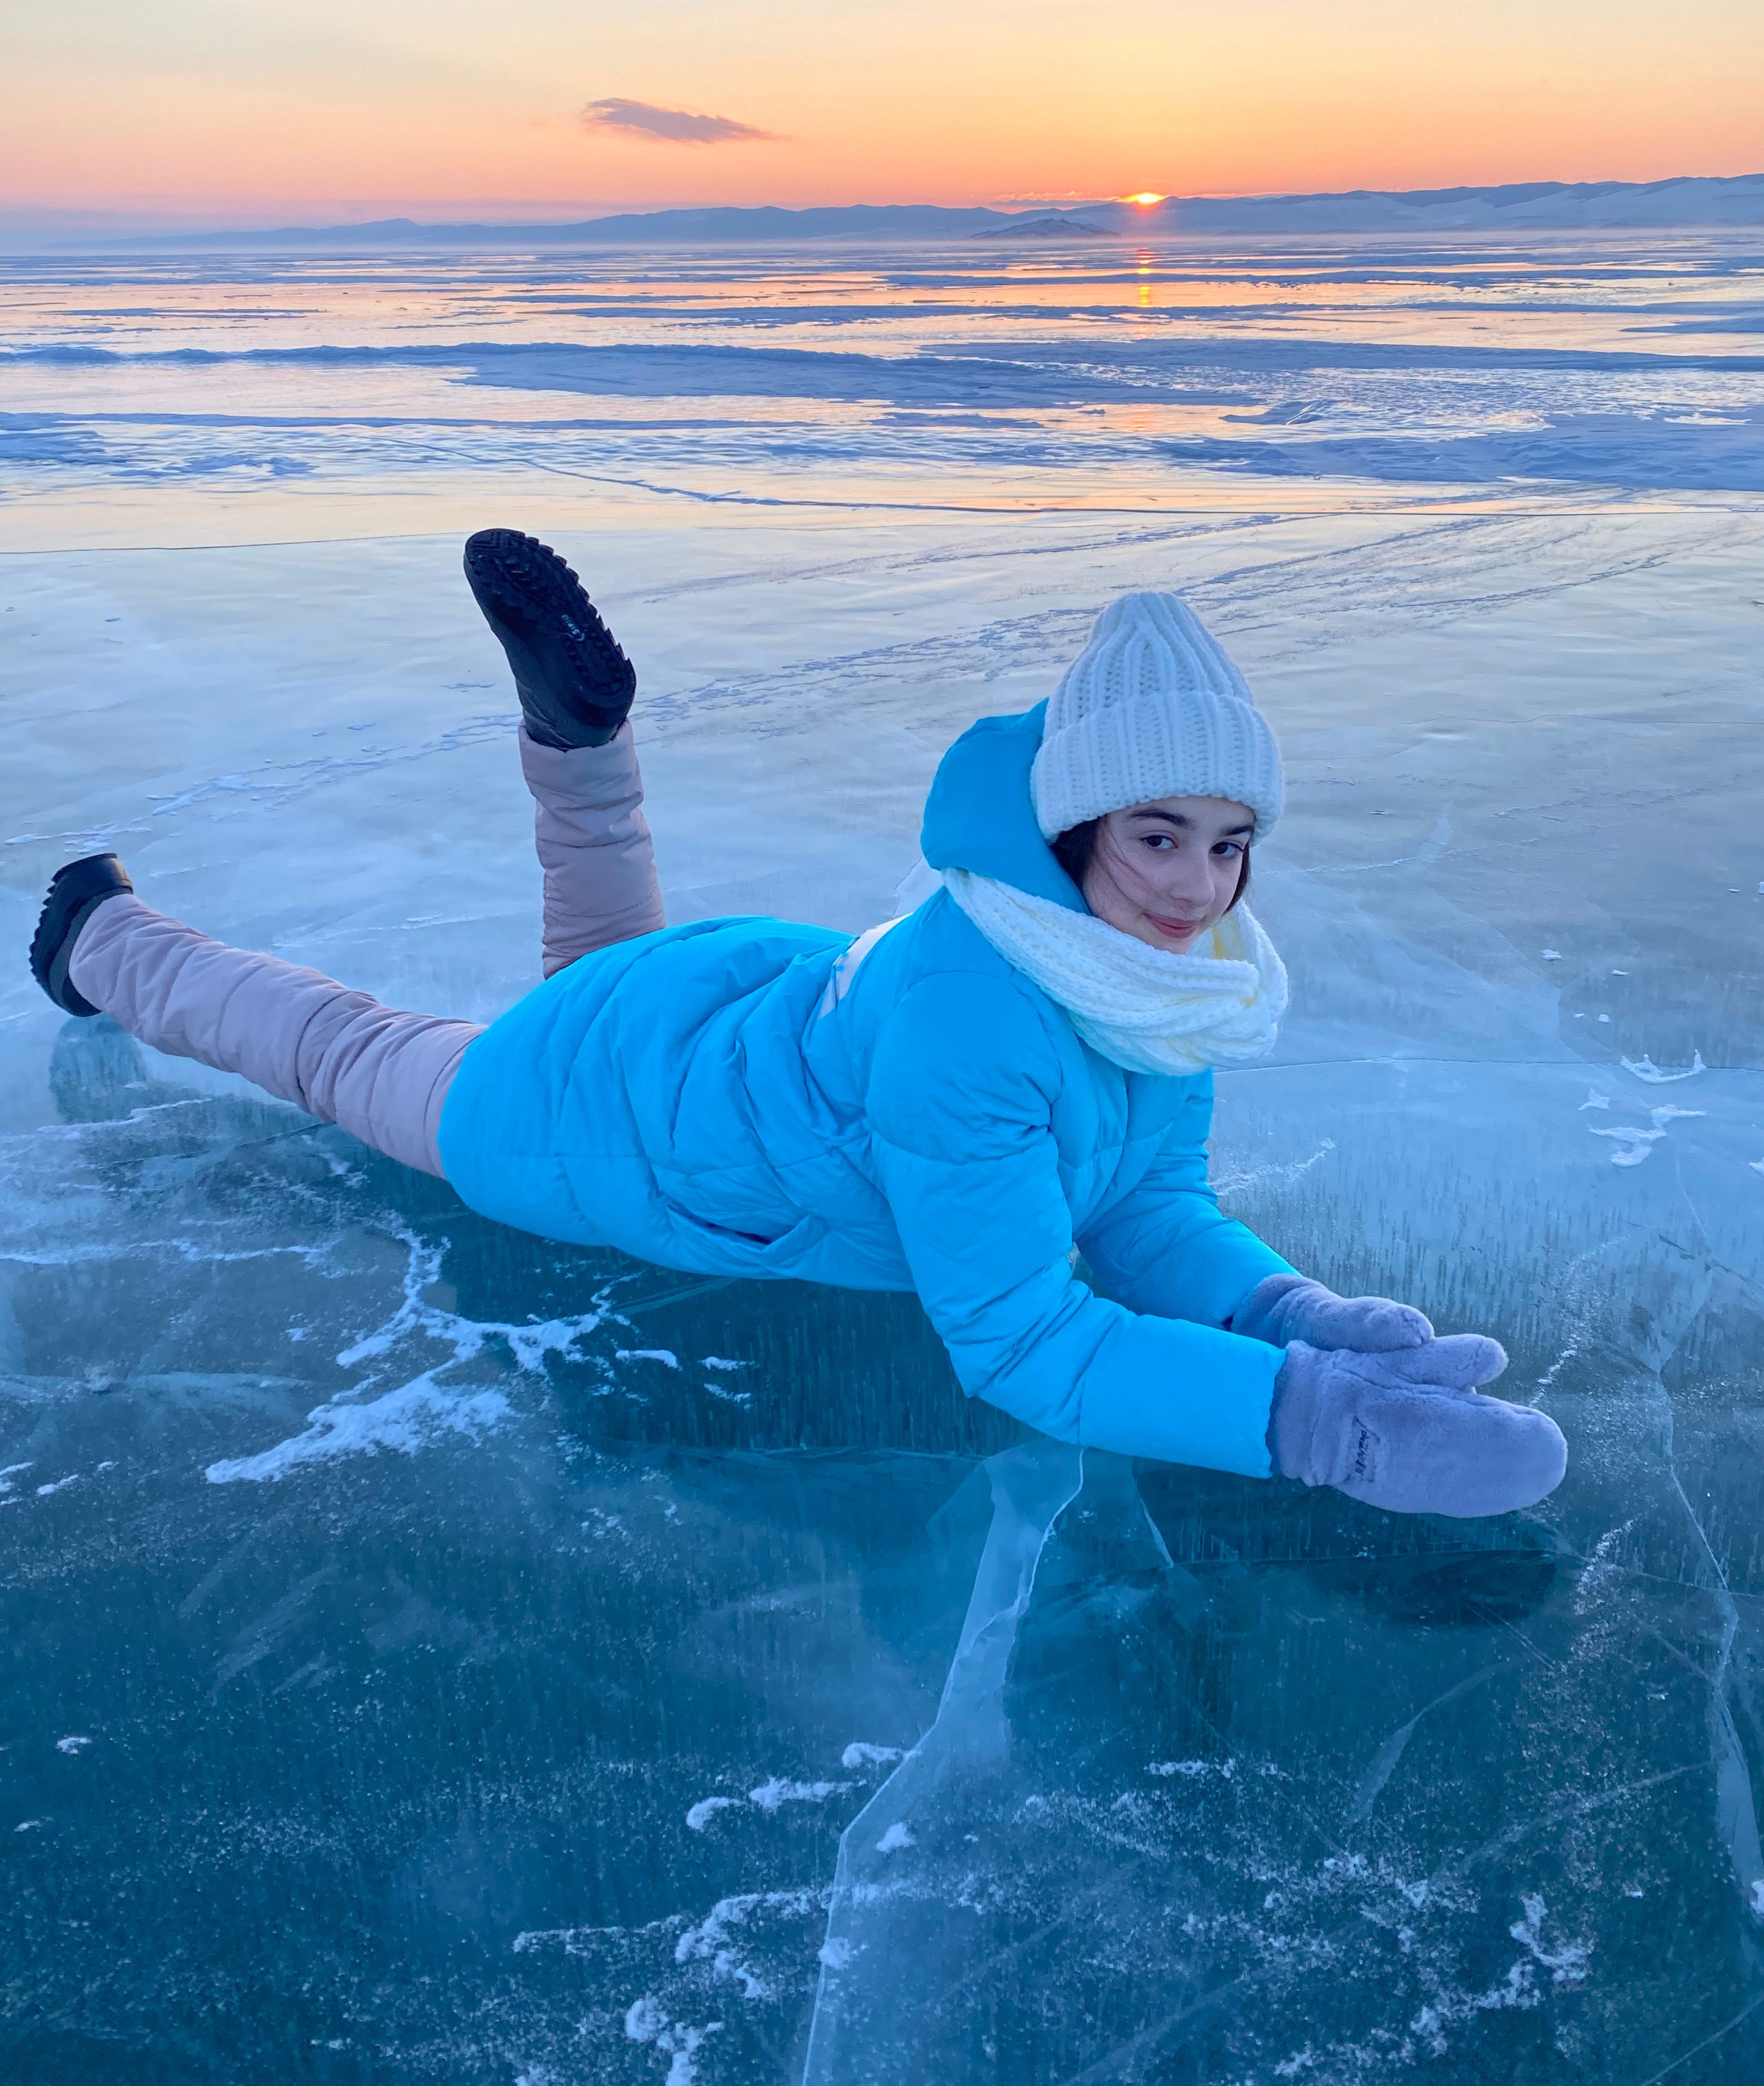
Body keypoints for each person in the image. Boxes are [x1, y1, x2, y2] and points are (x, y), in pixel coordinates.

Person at [30, 532, 1566, 1519]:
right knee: (341, 1050)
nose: (1194, 885)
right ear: (1077, 822)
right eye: (1155, 836)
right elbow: (1024, 1342)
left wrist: (1286, 1311)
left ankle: (583, 747)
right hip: (578, 1117)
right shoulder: (982, 1020)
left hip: (717, 1008)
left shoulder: (1154, 976)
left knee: (595, 962)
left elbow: (1147, 1203)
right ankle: (98, 936)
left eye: (1226, 842)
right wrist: (1319, 1428)